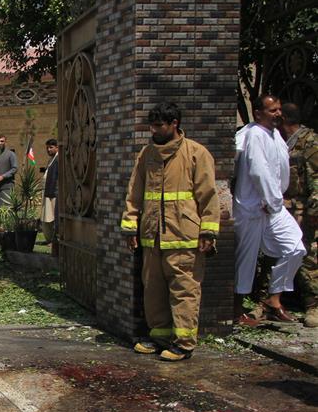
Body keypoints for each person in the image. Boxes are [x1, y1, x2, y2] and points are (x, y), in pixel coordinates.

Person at [121, 102, 219, 361]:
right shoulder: (147, 154)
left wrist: (208, 232)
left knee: (184, 289)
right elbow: (134, 194)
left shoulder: (196, 153)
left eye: (159, 125)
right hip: (152, 237)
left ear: (174, 123)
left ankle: (184, 343)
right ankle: (160, 336)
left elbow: (208, 195)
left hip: (184, 236)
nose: (154, 130)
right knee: (153, 290)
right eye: (152, 125)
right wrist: (130, 227)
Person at [234, 94, 306, 323]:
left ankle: (273, 299)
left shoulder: (275, 136)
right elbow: (258, 171)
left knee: (295, 246)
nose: (277, 114)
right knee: (246, 259)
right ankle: (236, 309)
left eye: (278, 109)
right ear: (258, 114)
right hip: (252, 207)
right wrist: (272, 201)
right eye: (272, 110)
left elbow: (279, 172)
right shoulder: (254, 134)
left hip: (272, 205)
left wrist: (275, 202)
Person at [280, 103, 318, 327]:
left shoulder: (310, 142)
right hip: (285, 207)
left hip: (305, 208)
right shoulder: (281, 142)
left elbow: (316, 178)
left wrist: (314, 209)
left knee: (308, 256)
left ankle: (313, 304)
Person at [0, 135, 17, 210]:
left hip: (7, 186)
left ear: (6, 142)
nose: (0, 143)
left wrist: (3, 176)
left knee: (7, 209)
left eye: (2, 141)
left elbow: (14, 168)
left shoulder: (11, 154)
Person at [41, 139, 60, 244]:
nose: (48, 150)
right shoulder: (51, 160)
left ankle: (54, 240)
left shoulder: (58, 159)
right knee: (47, 217)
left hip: (54, 193)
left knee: (53, 217)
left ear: (57, 147)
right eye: (47, 148)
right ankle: (49, 239)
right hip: (47, 192)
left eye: (51, 147)